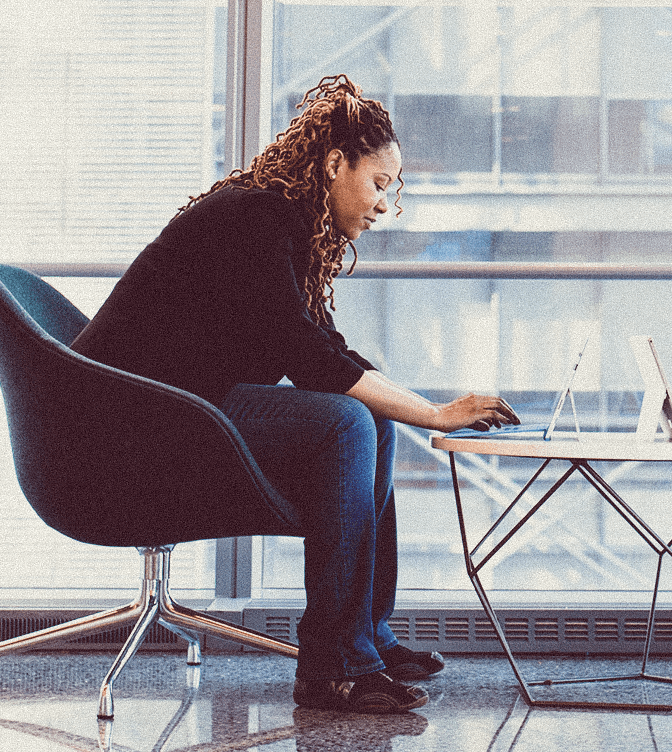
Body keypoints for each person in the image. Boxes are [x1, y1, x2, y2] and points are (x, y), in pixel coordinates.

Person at [72, 74, 519, 714]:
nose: (385, 206)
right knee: (346, 423)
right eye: (380, 184)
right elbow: (307, 359)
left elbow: (319, 349)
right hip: (130, 425)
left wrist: (417, 410)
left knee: (366, 417)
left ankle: (364, 638)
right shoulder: (257, 215)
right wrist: (434, 414)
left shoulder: (282, 219)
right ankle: (335, 667)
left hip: (178, 407)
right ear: (335, 164)